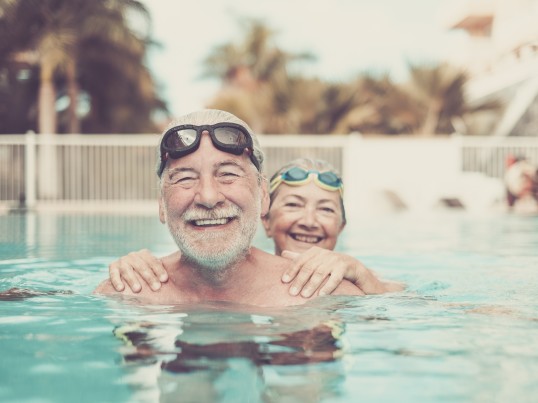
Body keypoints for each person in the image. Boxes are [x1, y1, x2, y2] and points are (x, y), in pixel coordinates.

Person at [94, 109, 364, 306]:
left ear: (263, 196)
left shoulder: (328, 294)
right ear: (162, 206)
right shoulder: (126, 295)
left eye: (228, 174)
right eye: (185, 178)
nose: (208, 197)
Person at [106, 157, 403, 297]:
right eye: (293, 205)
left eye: (325, 209)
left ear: (342, 226)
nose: (309, 221)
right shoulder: (240, 274)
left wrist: (365, 279)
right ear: (265, 218)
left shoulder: (359, 283)